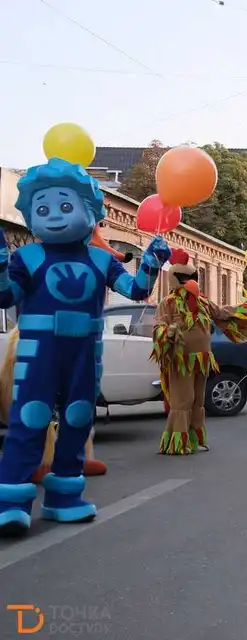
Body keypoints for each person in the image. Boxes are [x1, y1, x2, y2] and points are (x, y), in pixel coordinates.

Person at [0, 158, 170, 536]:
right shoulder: (27, 257)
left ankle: (64, 496)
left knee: (78, 418)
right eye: (43, 208)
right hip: (38, 351)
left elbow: (136, 291)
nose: (54, 215)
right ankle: (11, 501)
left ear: (90, 212)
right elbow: (6, 296)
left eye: (66, 205)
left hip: (84, 353)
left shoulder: (100, 259)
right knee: (30, 419)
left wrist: (151, 264)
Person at [153, 249, 247, 453]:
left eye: (192, 277)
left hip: (202, 359)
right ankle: (177, 443)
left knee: (198, 399)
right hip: (181, 359)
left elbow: (223, 313)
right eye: (184, 278)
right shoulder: (167, 303)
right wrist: (168, 332)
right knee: (183, 400)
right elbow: (159, 326)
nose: (189, 282)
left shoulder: (203, 302)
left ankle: (195, 439)